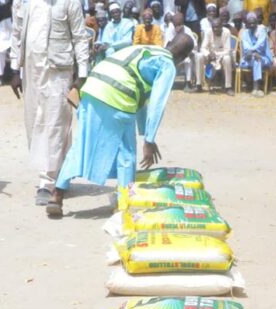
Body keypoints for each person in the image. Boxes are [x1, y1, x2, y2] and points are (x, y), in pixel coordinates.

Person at [49, 35, 195, 217]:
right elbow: (157, 102)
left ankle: (57, 194)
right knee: (127, 154)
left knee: (81, 145)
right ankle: (123, 205)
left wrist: (143, 133)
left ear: (168, 44)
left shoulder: (143, 49)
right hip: (117, 95)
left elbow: (139, 98)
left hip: (92, 88)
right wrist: (149, 140)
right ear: (183, 59)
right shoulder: (167, 64)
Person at [10, 0, 89, 205]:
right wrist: (13, 69)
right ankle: (61, 173)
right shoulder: (23, 2)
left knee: (56, 123)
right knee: (34, 122)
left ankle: (48, 182)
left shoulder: (70, 3)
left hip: (59, 72)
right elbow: (17, 33)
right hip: (31, 72)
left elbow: (80, 37)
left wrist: (82, 74)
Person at [194, 18, 233, 95]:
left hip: (221, 56)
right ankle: (199, 85)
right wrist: (208, 54)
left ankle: (228, 87)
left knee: (227, 59)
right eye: (213, 27)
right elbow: (203, 48)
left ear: (221, 26)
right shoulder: (208, 32)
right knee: (199, 56)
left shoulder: (227, 32)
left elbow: (228, 50)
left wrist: (216, 55)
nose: (215, 29)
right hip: (210, 56)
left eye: (217, 27)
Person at [239, 13, 270, 97]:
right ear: (247, 24)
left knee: (257, 59)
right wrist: (252, 53)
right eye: (250, 23)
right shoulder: (245, 33)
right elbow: (245, 46)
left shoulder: (262, 31)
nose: (252, 25)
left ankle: (256, 88)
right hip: (248, 58)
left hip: (263, 57)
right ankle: (256, 88)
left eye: (253, 23)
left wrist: (253, 52)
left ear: (257, 22)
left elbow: (260, 45)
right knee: (254, 59)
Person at [165, 12, 197, 91]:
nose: (178, 27)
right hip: (173, 56)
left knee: (188, 60)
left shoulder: (187, 29)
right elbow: (166, 46)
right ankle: (168, 83)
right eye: (176, 25)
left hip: (184, 55)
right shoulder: (170, 30)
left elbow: (195, 45)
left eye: (180, 24)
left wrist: (188, 53)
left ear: (183, 23)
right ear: (173, 24)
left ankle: (188, 83)